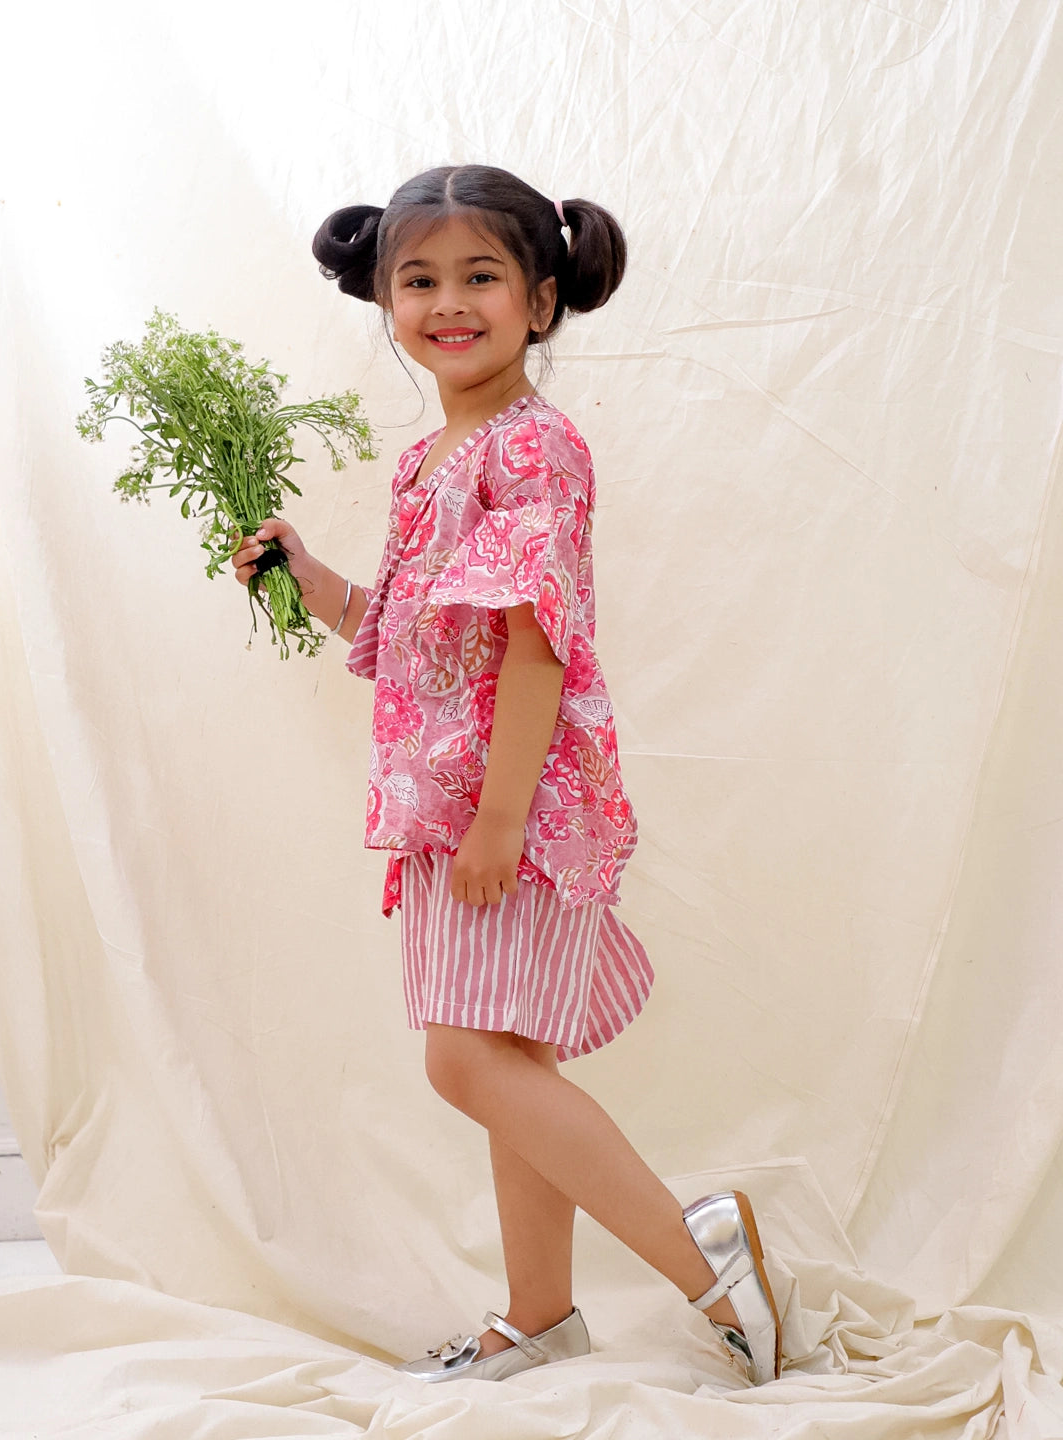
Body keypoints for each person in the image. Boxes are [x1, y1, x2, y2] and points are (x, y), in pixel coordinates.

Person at [230, 164, 783, 1387]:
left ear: (541, 301)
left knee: (463, 1059)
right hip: (450, 809)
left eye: (479, 276)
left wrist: (499, 817)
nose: (448, 303)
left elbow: (537, 644)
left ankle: (706, 1265)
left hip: (511, 806)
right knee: (510, 1062)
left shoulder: (532, 448)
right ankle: (542, 1314)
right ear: (385, 302)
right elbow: (408, 637)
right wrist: (305, 572)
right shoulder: (431, 459)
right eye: (418, 280)